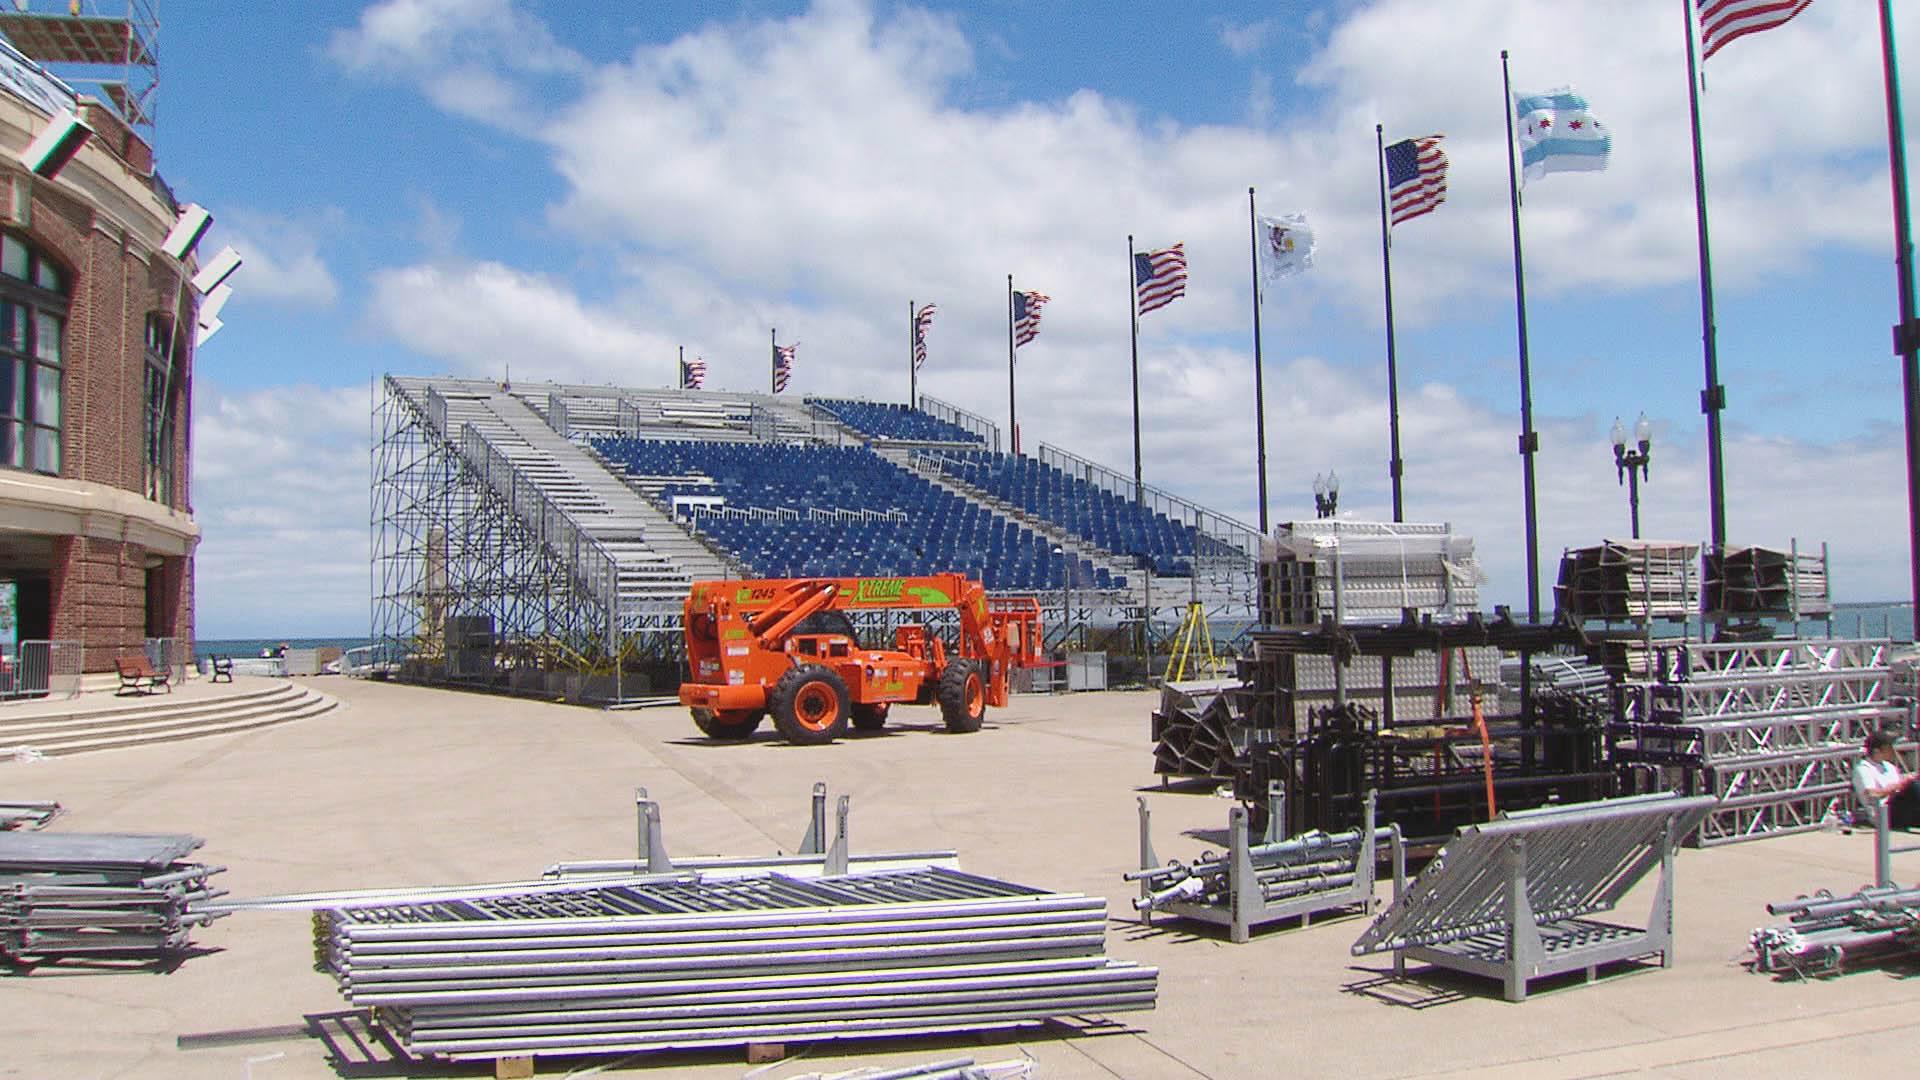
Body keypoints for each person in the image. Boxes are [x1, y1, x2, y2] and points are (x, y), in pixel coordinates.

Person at [1853, 729, 1920, 829]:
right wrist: (1898, 787)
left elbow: (1900, 788)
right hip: (1883, 813)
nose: (1893, 751)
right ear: (1877, 751)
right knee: (1914, 787)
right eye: (1889, 748)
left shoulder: (1889, 766)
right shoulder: (1863, 769)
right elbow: (1871, 794)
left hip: (1901, 809)